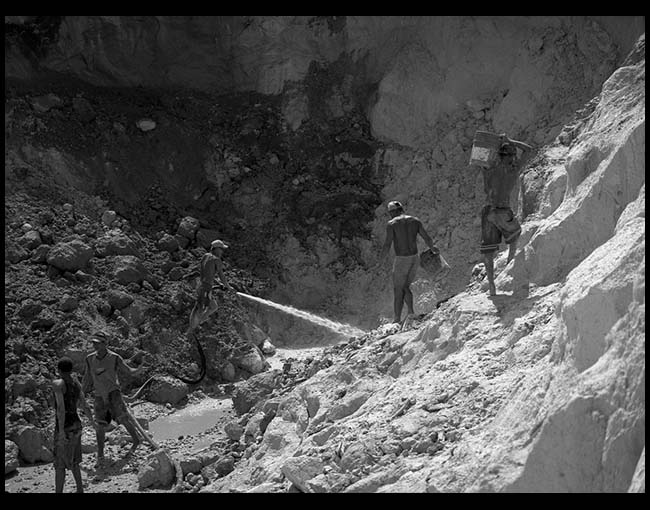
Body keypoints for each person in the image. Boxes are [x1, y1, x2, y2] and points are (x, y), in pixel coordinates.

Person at [479, 133, 533, 296]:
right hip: (503, 211)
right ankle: (510, 263)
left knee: (488, 250)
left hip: (488, 212)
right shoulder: (513, 170)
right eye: (513, 155)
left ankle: (492, 286)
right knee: (515, 236)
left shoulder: (489, 169)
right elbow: (529, 150)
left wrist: (497, 145)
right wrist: (510, 140)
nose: (515, 158)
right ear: (510, 156)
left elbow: (481, 154)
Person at [81, 331, 144, 466]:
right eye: (93, 343)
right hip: (98, 395)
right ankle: (100, 455)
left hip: (113, 393)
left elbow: (129, 371)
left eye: (97, 343)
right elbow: (87, 378)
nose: (95, 346)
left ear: (105, 344)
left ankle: (136, 440)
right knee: (100, 425)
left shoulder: (115, 358)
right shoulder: (89, 359)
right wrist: (81, 392)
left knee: (123, 419)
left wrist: (139, 369)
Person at [375, 201, 439, 325]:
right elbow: (426, 237)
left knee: (398, 289)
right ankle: (410, 313)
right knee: (405, 286)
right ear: (402, 209)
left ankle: (397, 319)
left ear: (392, 212)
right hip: (414, 258)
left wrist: (380, 261)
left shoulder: (392, 224)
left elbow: (387, 244)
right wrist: (432, 248)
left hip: (402, 259)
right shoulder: (415, 221)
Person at [52, 357, 96, 493]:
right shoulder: (76, 383)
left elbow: (60, 409)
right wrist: (92, 422)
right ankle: (79, 489)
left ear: (58, 370)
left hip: (65, 427)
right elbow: (85, 405)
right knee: (74, 461)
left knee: (60, 465)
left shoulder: (58, 383)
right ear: (71, 370)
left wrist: (60, 432)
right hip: (77, 425)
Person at [188, 239, 233, 334]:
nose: (222, 252)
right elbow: (222, 276)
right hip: (206, 288)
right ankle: (192, 329)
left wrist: (217, 283)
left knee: (209, 306)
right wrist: (228, 287)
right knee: (204, 308)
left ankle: (195, 325)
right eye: (221, 249)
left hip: (200, 285)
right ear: (216, 249)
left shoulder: (205, 256)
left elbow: (207, 273)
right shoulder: (217, 260)